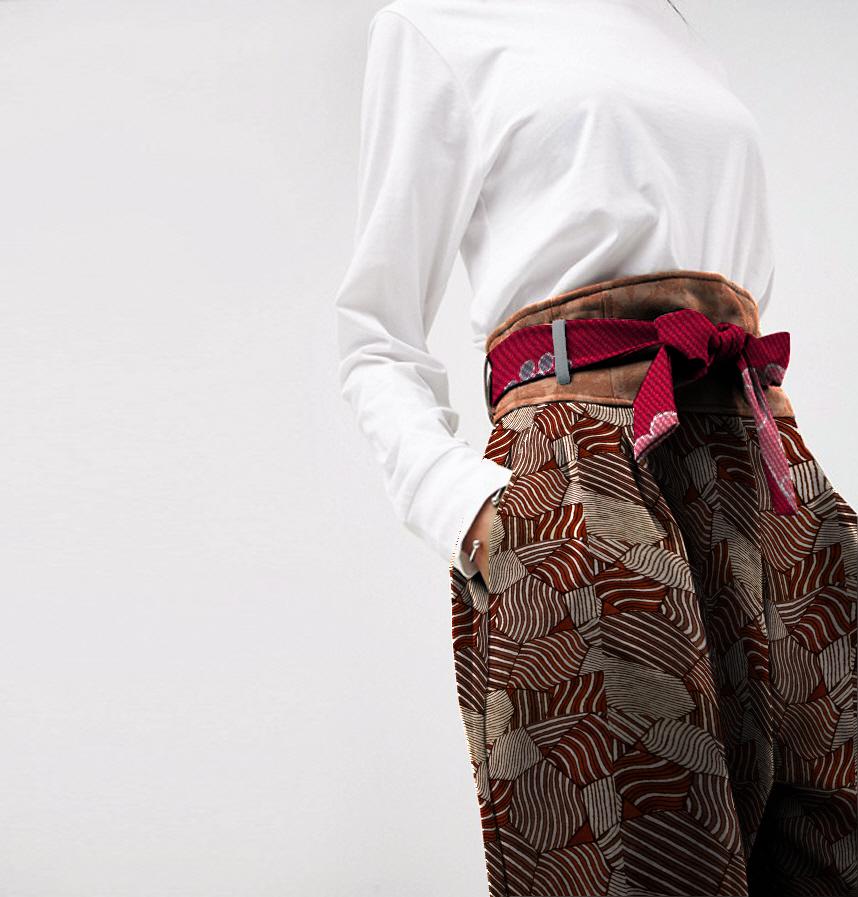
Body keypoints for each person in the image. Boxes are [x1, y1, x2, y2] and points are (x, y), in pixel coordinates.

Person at [333, 2, 858, 895]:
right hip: (584, 478)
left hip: (764, 470)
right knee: (639, 859)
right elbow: (374, 336)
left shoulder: (670, 24)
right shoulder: (438, 23)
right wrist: (478, 514)